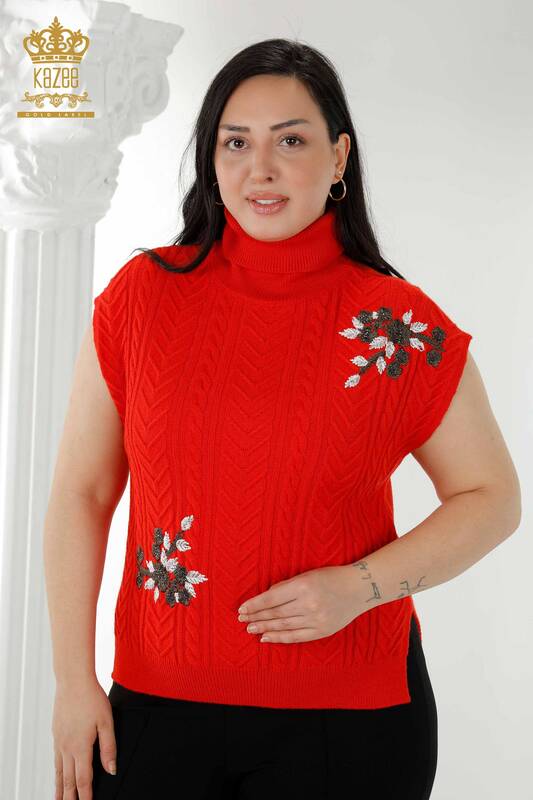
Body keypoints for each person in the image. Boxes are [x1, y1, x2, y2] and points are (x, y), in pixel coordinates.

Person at [43, 38, 521, 800]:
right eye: (235, 143)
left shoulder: (397, 327)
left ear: (338, 159)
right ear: (211, 161)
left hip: (351, 723)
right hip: (157, 705)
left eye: (289, 141)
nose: (259, 169)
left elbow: (492, 497)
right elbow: (82, 492)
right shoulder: (141, 299)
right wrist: (73, 681)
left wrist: (359, 587)